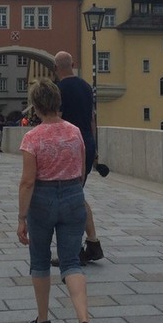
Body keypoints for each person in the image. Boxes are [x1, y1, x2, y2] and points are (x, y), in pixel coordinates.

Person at [17, 78, 93, 323]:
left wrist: (21, 217)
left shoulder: (32, 137)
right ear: (58, 103)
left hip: (42, 200)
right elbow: (82, 170)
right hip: (73, 195)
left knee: (39, 261)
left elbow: (27, 182)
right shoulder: (74, 132)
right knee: (72, 262)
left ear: (35, 107)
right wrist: (73, 193)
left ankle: (43, 320)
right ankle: (84, 322)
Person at [54, 51, 103, 263]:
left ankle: (78, 250)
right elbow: (92, 119)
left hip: (70, 146)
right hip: (87, 143)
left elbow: (57, 120)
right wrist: (95, 148)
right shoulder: (85, 86)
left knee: (71, 197)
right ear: (73, 64)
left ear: (56, 68)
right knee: (76, 194)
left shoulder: (58, 90)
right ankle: (92, 244)